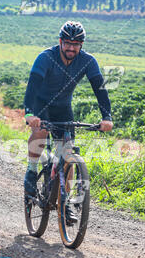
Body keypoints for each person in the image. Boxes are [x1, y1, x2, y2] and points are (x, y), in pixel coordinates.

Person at [23, 21, 113, 222]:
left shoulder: (88, 61)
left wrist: (106, 117)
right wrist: (30, 113)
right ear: (60, 42)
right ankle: (31, 171)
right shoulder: (46, 57)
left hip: (63, 107)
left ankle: (65, 204)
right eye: (68, 43)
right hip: (41, 105)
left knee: (67, 155)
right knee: (40, 133)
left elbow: (100, 89)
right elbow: (33, 86)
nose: (71, 47)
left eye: (76, 44)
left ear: (81, 45)